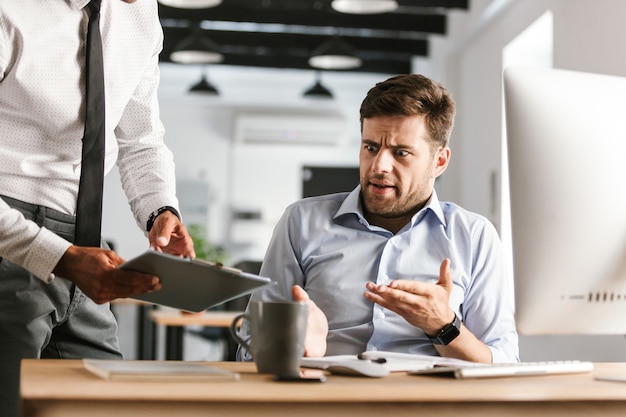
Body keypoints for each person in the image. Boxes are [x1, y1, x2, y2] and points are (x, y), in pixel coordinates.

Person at [239, 74, 519, 364]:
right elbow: (248, 347)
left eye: (401, 153)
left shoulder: (474, 237)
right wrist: (295, 346)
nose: (379, 166)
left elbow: (505, 363)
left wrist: (444, 326)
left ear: (439, 162)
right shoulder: (300, 223)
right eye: (371, 147)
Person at [0, 1, 195, 416]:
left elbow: (141, 138)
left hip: (86, 246)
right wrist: (60, 257)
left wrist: (160, 209)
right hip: (10, 241)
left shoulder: (139, 14)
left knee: (105, 405)